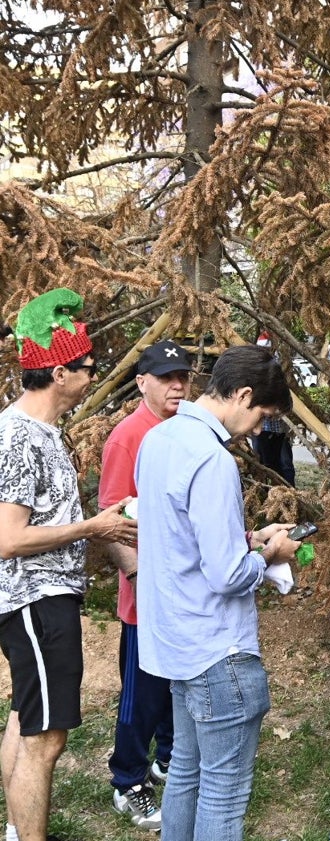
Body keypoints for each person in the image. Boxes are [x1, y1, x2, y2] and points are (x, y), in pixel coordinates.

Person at [134, 344, 302, 841]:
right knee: (224, 791)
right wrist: (270, 554)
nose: (257, 430)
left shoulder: (158, 440)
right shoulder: (213, 459)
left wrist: (246, 540)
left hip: (176, 641)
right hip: (217, 650)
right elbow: (227, 576)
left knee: (185, 769)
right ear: (244, 395)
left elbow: (177, 536)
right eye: (262, 417)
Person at [0, 288, 137, 841]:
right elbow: (7, 538)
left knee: (23, 720)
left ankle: (15, 829)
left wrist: (96, 519)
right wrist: (91, 528)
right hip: (35, 598)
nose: (91, 373)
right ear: (59, 372)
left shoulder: (39, 432)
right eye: (87, 366)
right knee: (47, 738)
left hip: (42, 597)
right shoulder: (17, 438)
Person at [98, 339, 193, 831]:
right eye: (165, 377)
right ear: (142, 382)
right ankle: (128, 777)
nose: (177, 385)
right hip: (146, 600)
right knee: (142, 694)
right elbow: (110, 518)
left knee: (175, 685)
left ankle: (169, 757)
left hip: (183, 595)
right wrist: (137, 577)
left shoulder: (186, 431)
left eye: (183, 377)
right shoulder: (128, 437)